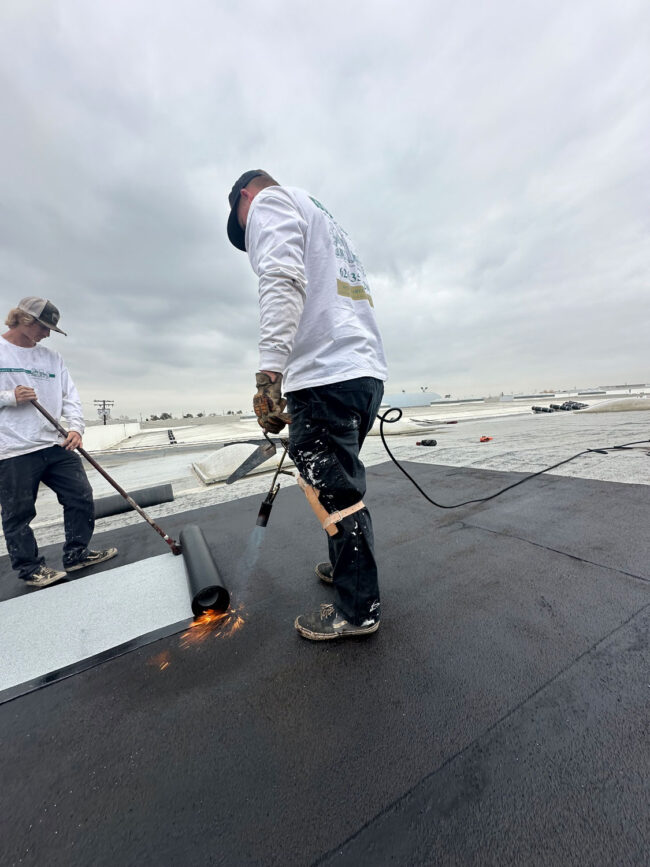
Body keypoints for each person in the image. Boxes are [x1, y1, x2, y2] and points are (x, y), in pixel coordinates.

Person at [227, 170, 388, 640]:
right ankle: (347, 568)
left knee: (334, 494)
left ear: (244, 197)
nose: (248, 230)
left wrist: (269, 374)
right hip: (361, 370)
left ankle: (358, 609)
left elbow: (281, 277)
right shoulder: (323, 217)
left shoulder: (268, 203)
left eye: (243, 223)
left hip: (326, 374)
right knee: (331, 481)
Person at [0, 297, 117, 589]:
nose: (48, 334)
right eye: (44, 326)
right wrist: (9, 397)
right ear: (25, 321)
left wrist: (76, 428)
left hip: (54, 443)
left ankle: (76, 554)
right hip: (13, 448)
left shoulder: (51, 358)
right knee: (19, 513)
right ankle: (29, 568)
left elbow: (70, 396)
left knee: (80, 495)